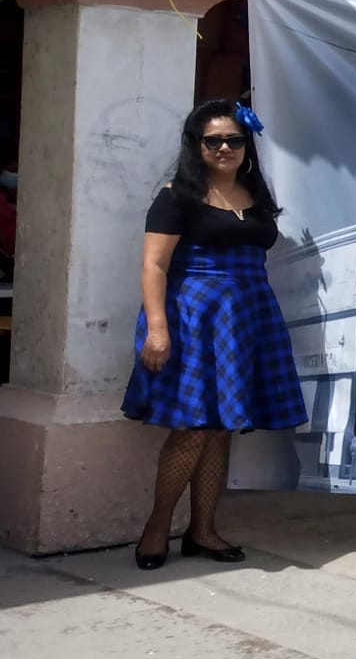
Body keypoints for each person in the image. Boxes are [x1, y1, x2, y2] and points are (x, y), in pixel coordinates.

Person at [122, 100, 306, 568]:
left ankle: (203, 531)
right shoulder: (176, 196)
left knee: (221, 429)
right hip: (193, 319)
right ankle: (157, 527)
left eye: (233, 140)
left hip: (246, 316)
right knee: (192, 430)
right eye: (214, 140)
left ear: (246, 146)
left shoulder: (256, 194)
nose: (224, 147)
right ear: (196, 145)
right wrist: (157, 330)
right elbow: (153, 265)